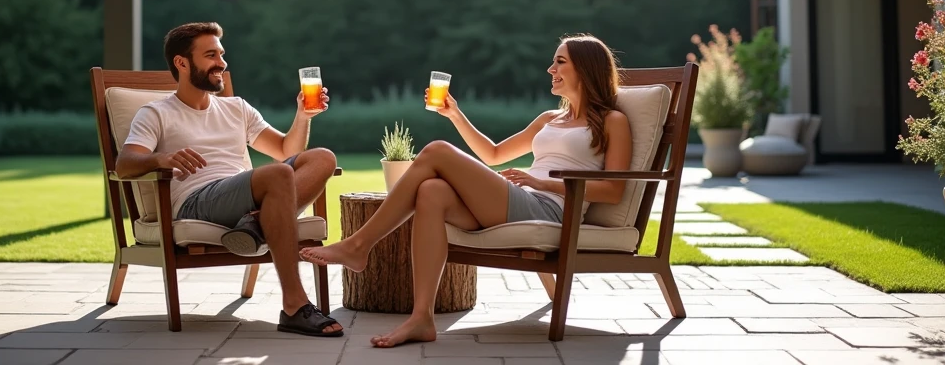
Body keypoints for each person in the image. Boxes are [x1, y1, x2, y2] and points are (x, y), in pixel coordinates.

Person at [301, 34, 631, 347]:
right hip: (521, 198)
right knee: (431, 191)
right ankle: (422, 319)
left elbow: (613, 191)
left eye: (560, 62)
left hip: (550, 208)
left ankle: (359, 244)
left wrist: (541, 182)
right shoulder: (549, 118)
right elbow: (494, 154)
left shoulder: (612, 121)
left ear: (585, 69)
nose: (551, 70)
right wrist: (455, 114)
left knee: (437, 151)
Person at [115, 22, 343, 337]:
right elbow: (124, 164)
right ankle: (294, 306)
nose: (222, 62)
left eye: (221, 54)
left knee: (323, 158)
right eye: (210, 55)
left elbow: (285, 149)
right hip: (197, 200)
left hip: (243, 194)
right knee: (277, 173)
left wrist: (302, 117)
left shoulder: (236, 108)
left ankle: (256, 221)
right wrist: (160, 158)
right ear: (182, 63)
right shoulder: (156, 113)